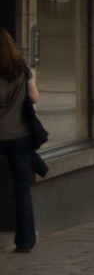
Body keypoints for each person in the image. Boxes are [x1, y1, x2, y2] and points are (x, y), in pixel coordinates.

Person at [0, 27, 43, 252]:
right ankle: (25, 241)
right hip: (20, 137)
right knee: (22, 189)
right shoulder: (22, 68)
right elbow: (34, 97)